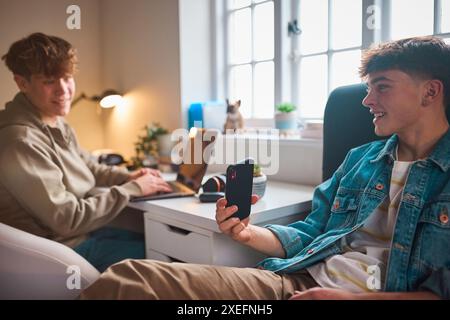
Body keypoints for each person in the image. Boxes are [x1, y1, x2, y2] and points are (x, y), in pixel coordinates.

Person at [80, 36, 450, 299]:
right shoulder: (362, 161)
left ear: (430, 93)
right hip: (293, 284)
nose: (367, 100)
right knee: (133, 280)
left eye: (381, 87)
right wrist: (246, 234)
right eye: (368, 88)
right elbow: (309, 234)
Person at [0, 33, 172, 272]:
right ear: (22, 83)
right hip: (59, 253)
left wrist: (127, 177)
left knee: (162, 240)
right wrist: (132, 190)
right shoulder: (21, 141)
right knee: (167, 256)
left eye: (67, 78)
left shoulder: (53, 120)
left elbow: (88, 165)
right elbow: (67, 219)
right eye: (49, 81)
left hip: (77, 237)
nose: (64, 91)